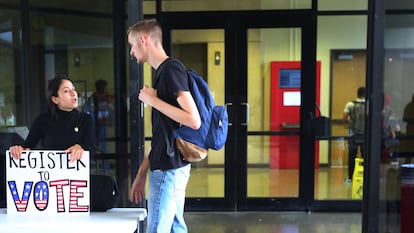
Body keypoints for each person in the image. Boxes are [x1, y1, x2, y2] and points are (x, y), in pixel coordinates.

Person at [128, 19, 201, 233]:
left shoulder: (170, 70)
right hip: (170, 167)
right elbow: (162, 135)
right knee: (175, 229)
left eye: (133, 45)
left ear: (143, 40)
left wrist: (153, 101)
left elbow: (193, 120)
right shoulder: (164, 73)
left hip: (168, 169)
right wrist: (142, 174)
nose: (132, 52)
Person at [8, 74, 95, 162]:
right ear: (55, 99)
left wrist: (81, 147)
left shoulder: (86, 119)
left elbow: (91, 149)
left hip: (77, 174)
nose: (74, 94)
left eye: (73, 89)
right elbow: (27, 147)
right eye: (66, 91)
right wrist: (18, 150)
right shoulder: (42, 120)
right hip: (49, 174)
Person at [343, 86, 366, 184]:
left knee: (352, 156)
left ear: (357, 93)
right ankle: (365, 177)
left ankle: (350, 178)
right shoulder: (369, 105)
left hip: (353, 134)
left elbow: (344, 118)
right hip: (365, 134)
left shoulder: (350, 104)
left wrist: (348, 124)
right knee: (365, 156)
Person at [92, 79, 114, 172]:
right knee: (95, 145)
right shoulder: (95, 96)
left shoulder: (106, 96)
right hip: (95, 124)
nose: (104, 88)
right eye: (102, 86)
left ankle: (105, 168)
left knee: (104, 147)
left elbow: (110, 109)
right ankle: (97, 166)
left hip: (103, 123)